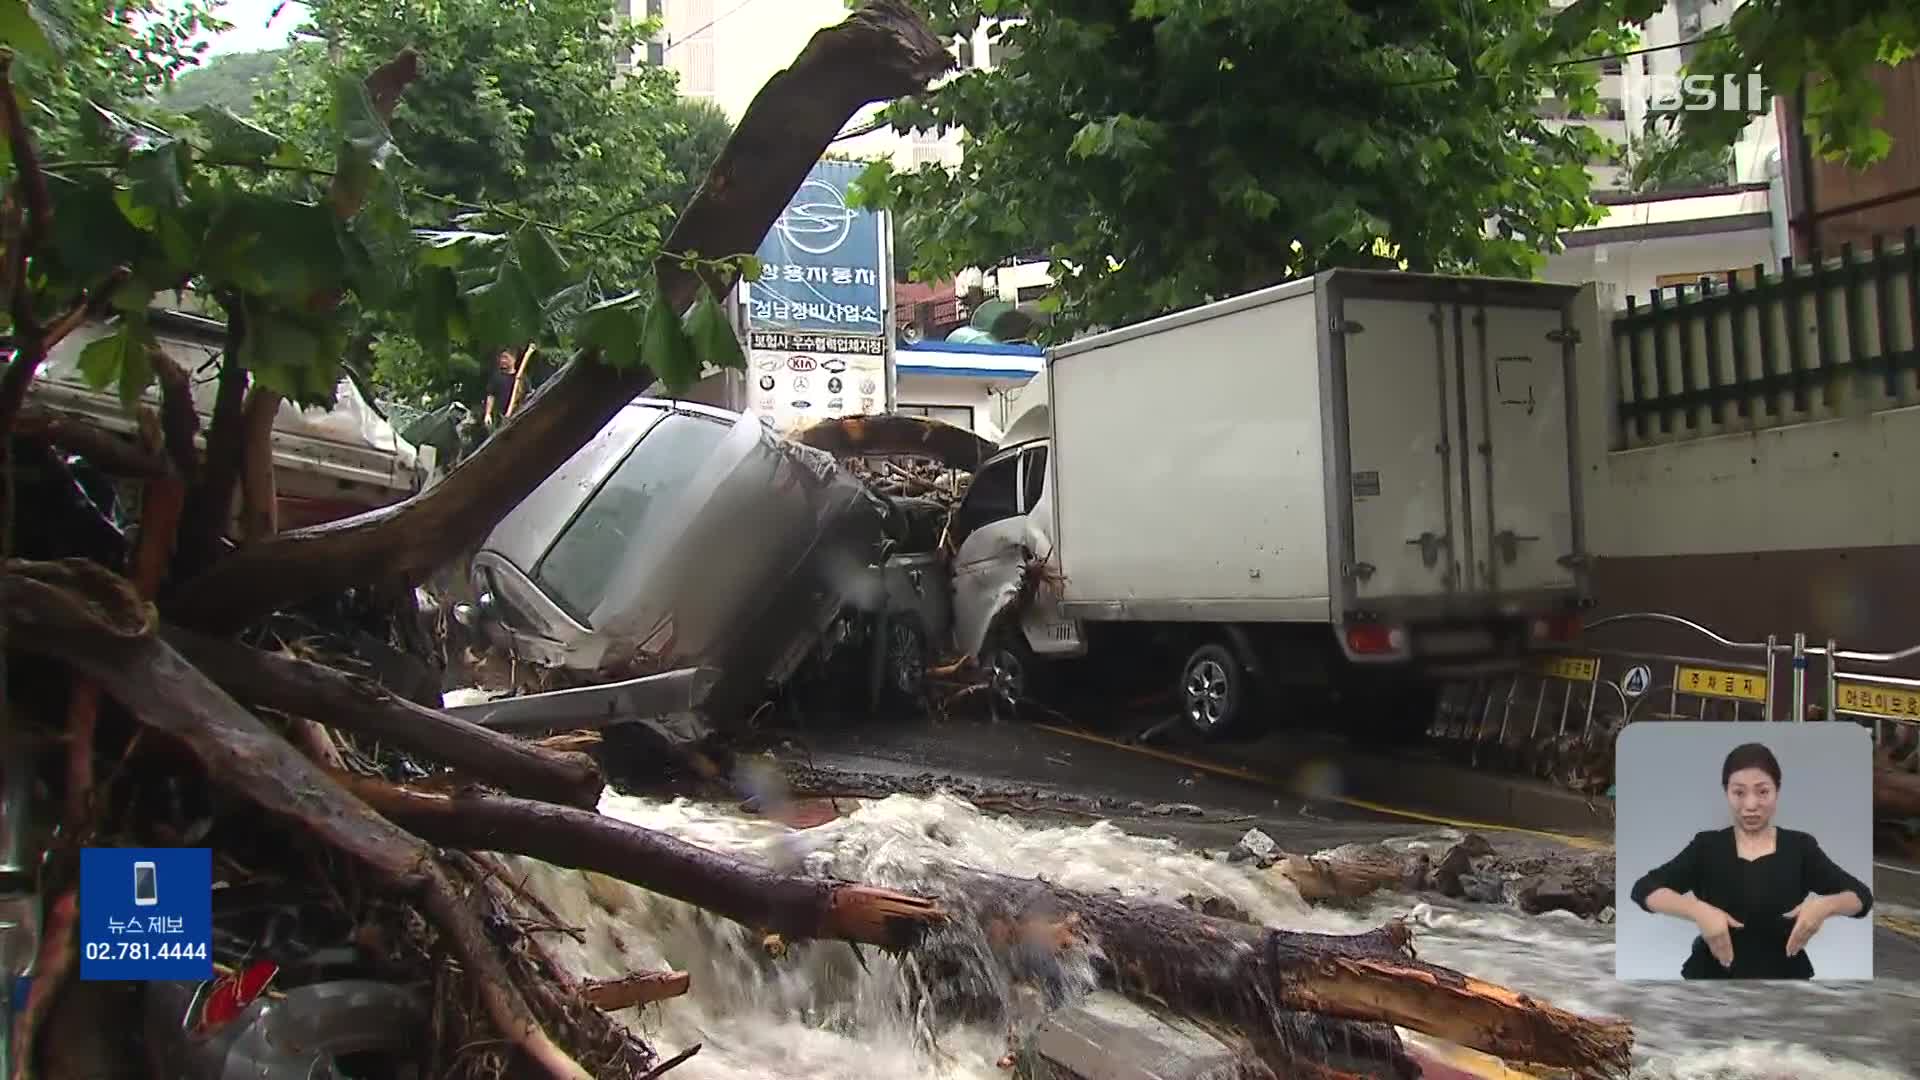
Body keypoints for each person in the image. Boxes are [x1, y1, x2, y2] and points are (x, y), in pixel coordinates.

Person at [1629, 741, 1872, 979]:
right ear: (1726, 792)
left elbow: (1861, 896)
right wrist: (1698, 911)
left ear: (1777, 790)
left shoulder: (1800, 848)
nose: (1751, 805)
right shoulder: (1707, 846)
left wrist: (1823, 907)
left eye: (1763, 791)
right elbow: (1644, 889)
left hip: (1786, 983)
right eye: (1739, 793)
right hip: (1709, 982)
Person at [481, 347, 519, 428]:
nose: (503, 360)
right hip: (500, 417)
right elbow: (491, 396)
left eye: (506, 357)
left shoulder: (520, 378)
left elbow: (528, 394)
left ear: (514, 359)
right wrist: (488, 414)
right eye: (502, 358)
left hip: (518, 415)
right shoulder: (496, 377)